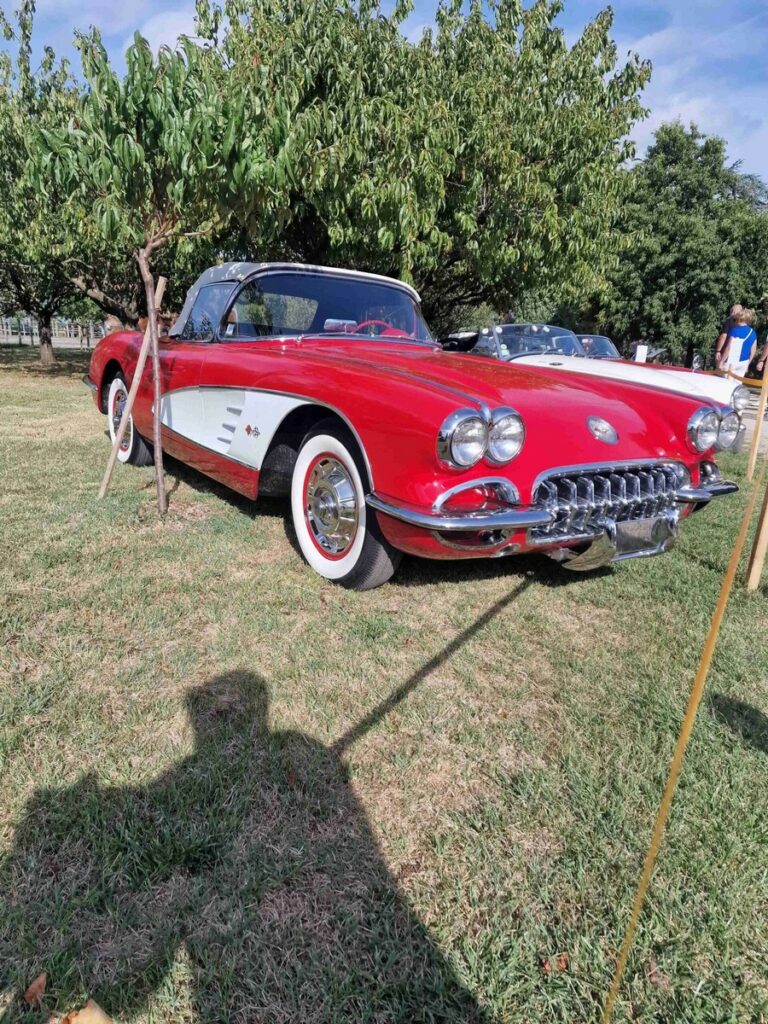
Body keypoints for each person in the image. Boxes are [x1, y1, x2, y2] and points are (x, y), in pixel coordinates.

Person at [716, 307, 757, 377]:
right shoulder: (753, 332)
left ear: (739, 319)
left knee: (725, 384)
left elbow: (729, 348)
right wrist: (747, 364)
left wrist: (721, 361)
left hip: (731, 362)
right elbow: (753, 351)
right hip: (744, 363)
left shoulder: (734, 330)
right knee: (737, 385)